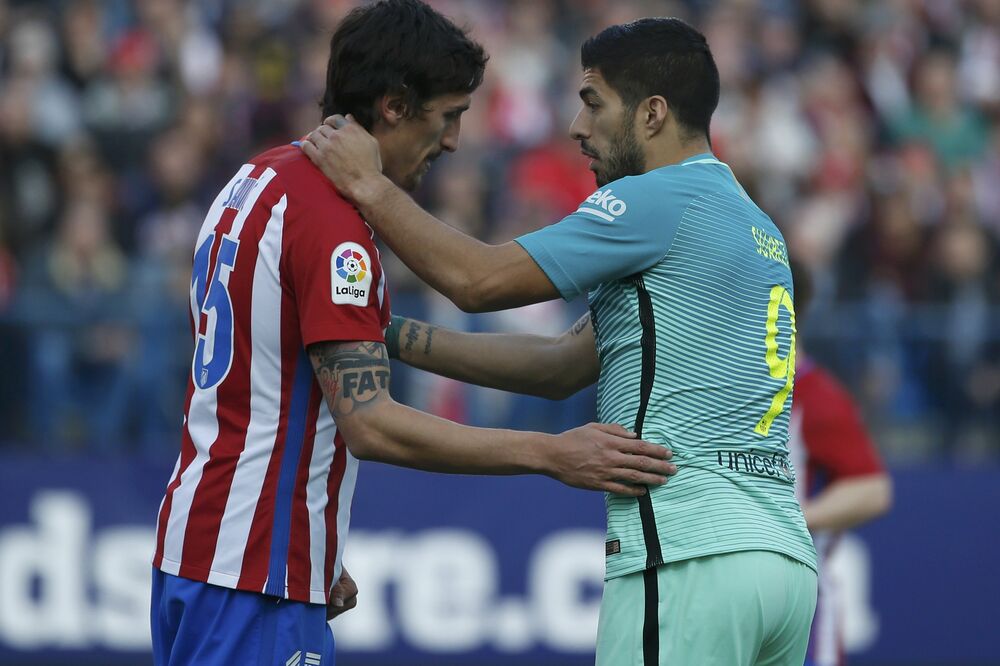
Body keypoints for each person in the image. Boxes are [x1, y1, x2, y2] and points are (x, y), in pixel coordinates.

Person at [149, 3, 675, 665]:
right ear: (395, 106)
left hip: (196, 550)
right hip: (257, 570)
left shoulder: (253, 181)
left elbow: (269, 363)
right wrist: (550, 454)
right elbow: (372, 422)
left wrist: (316, 547)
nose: (453, 140)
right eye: (448, 115)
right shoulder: (335, 228)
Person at [303, 15, 819, 666]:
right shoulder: (752, 221)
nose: (578, 128)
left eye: (594, 104)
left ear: (652, 114)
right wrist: (387, 333)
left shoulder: (655, 201)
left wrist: (368, 186)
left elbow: (477, 280)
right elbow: (560, 364)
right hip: (781, 561)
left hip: (690, 554)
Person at [789, 260, 893, 666]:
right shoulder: (719, 385)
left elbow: (873, 490)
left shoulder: (816, 396)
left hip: (806, 611)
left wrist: (790, 516)